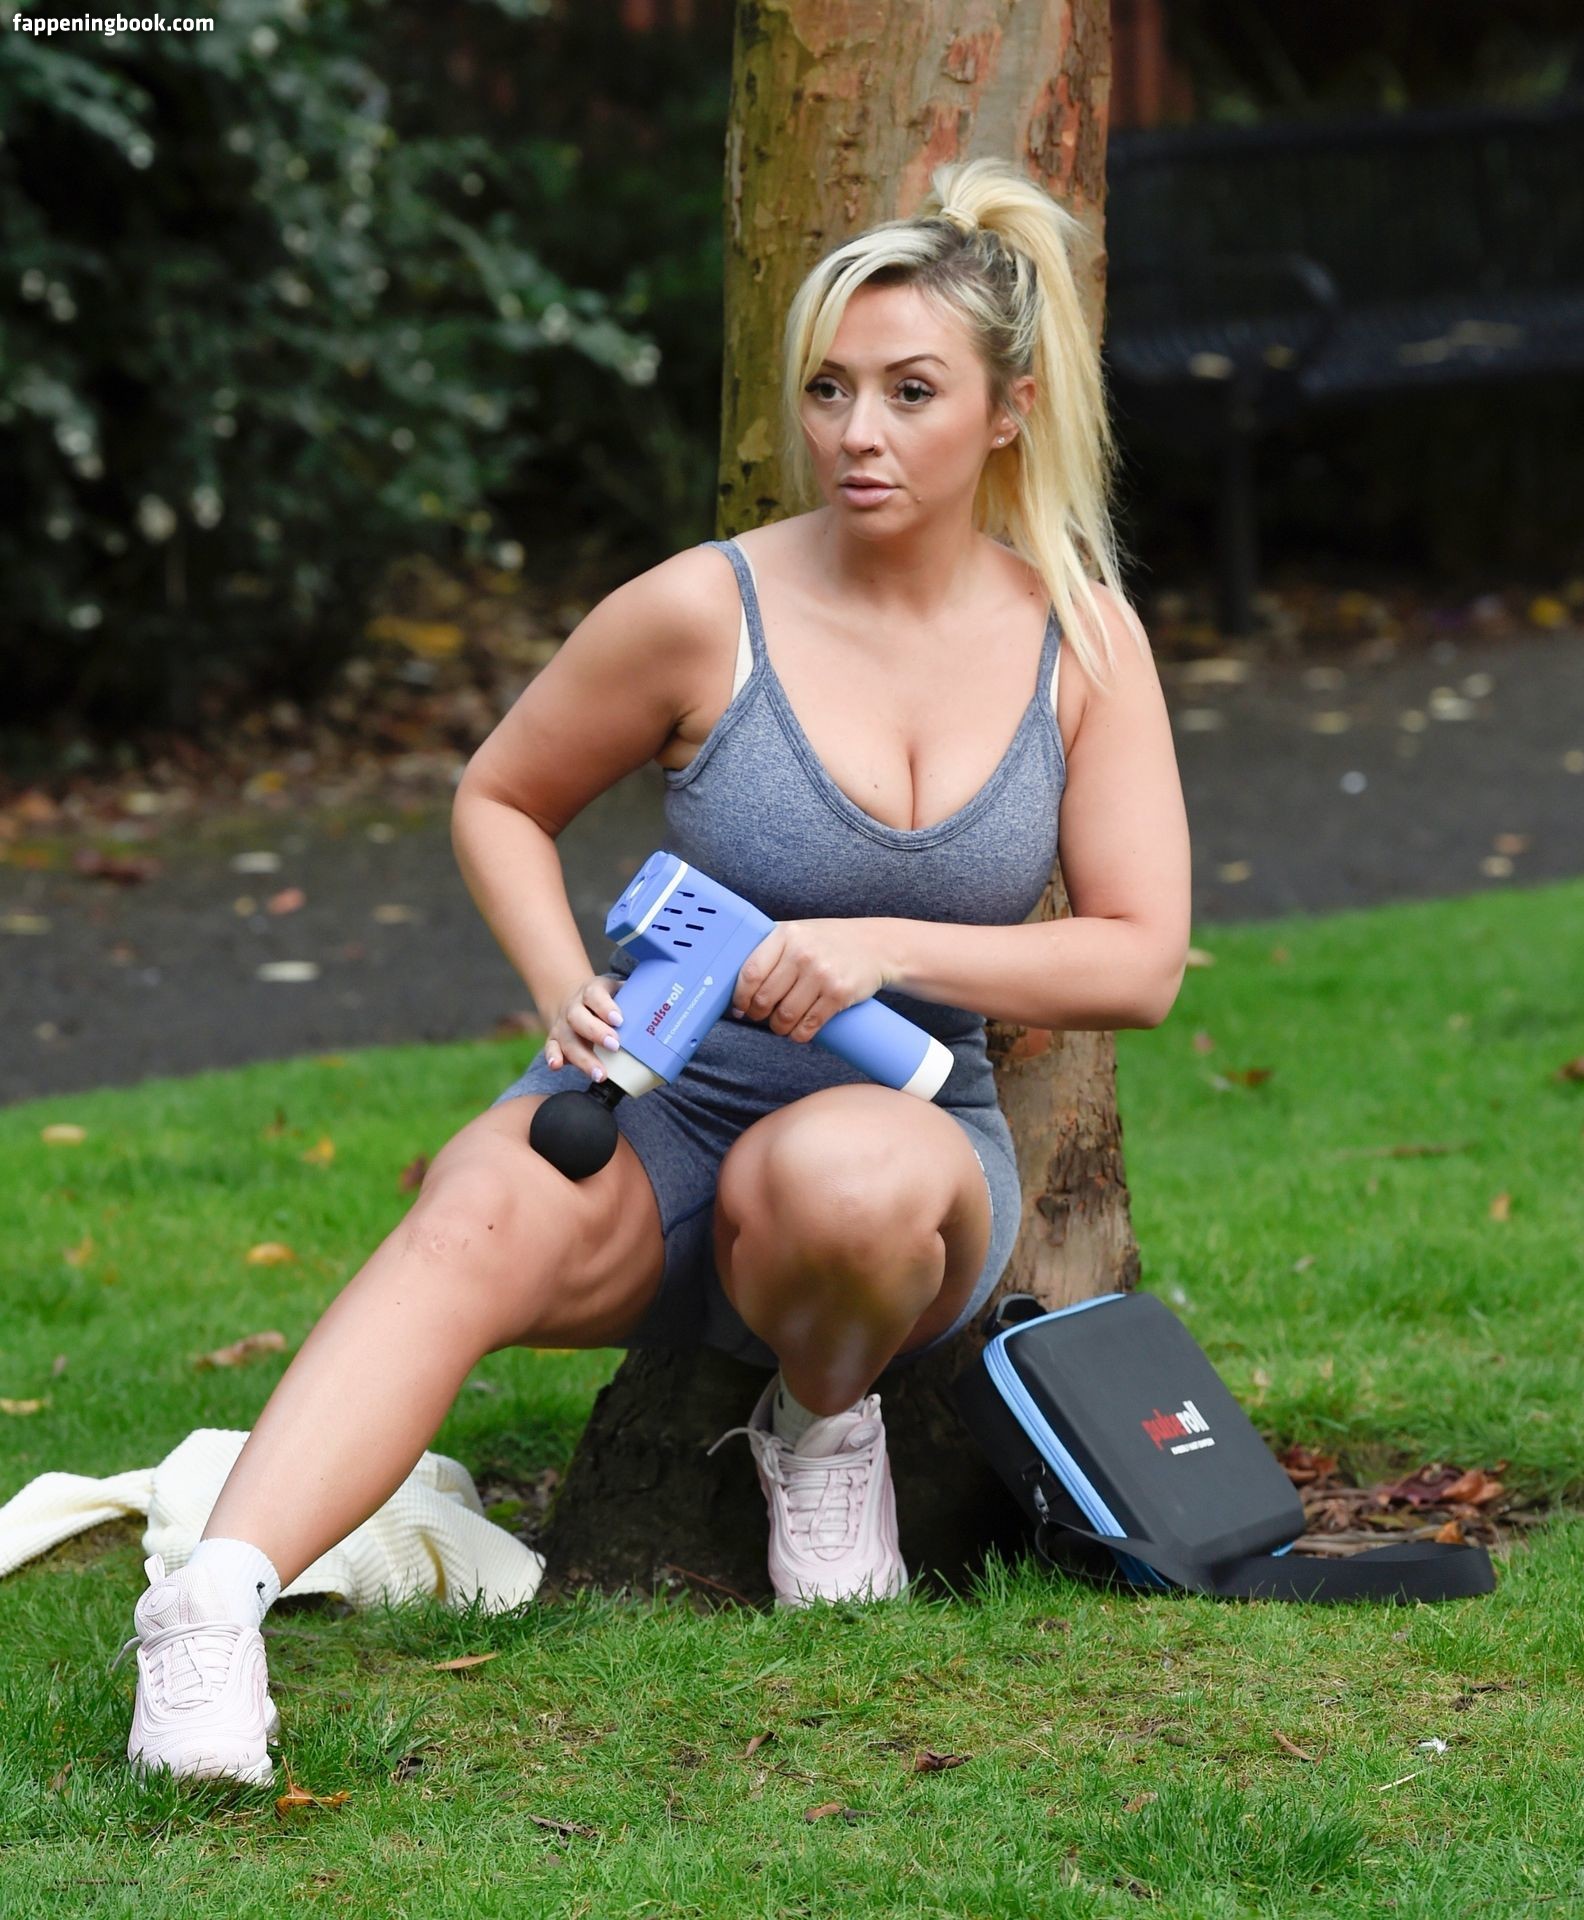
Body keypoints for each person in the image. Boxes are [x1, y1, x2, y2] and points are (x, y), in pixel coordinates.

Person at [120, 154, 1191, 1787]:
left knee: (837, 1174)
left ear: (1008, 411)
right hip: (646, 1112)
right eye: (829, 389)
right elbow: (500, 794)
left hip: (892, 1169)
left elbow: (1141, 957)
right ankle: (207, 1613)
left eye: (911, 393)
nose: (858, 432)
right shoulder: (708, 608)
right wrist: (563, 981)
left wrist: (884, 947)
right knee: (470, 1208)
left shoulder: (1082, 641)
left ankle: (819, 1422)